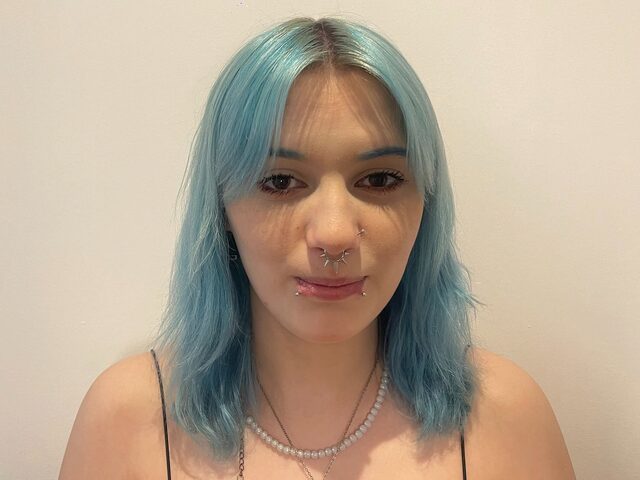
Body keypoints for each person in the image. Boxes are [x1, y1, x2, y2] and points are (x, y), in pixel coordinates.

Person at [59, 17, 575, 479]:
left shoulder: (504, 417)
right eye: (280, 182)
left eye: (379, 179)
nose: (334, 233)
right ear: (221, 209)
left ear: (427, 202)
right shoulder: (128, 419)